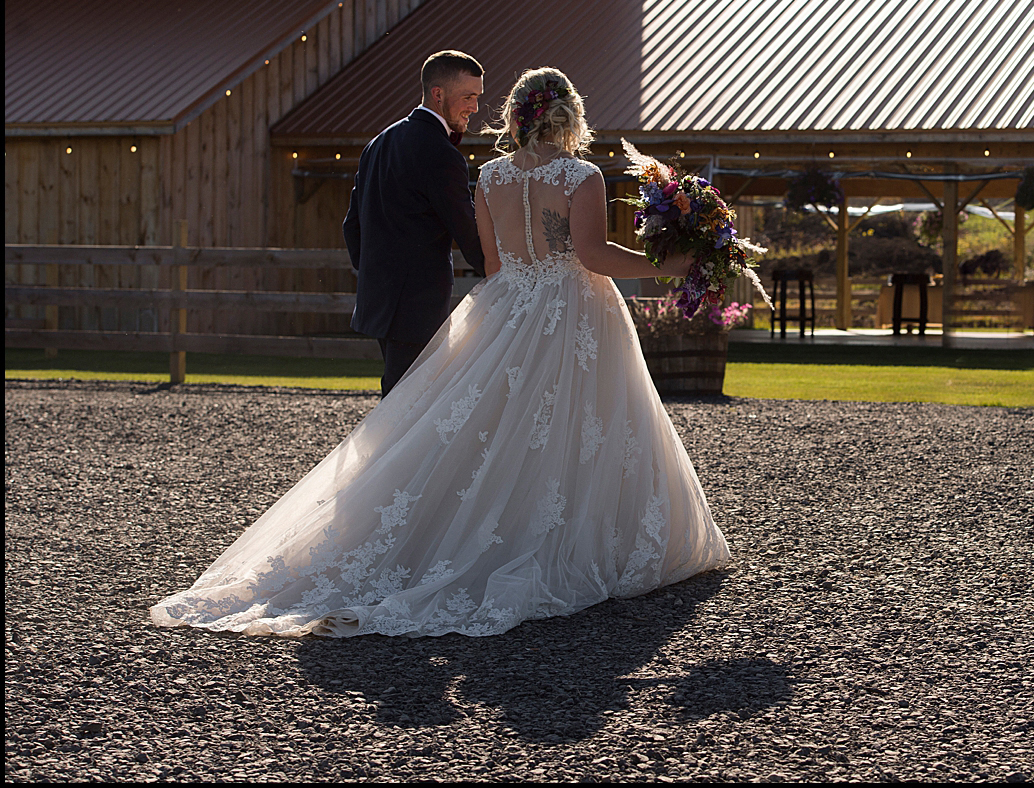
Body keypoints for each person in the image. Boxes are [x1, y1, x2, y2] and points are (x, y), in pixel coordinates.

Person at [150, 67, 730, 637]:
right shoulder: (581, 175)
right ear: (569, 115)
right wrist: (667, 265)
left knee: (493, 426)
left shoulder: (491, 176)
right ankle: (568, 538)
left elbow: (496, 265)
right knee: (585, 421)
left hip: (506, 305)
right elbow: (592, 255)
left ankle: (473, 531)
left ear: (516, 114)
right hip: (573, 307)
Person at [344, 50, 490, 397]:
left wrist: (375, 274)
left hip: (381, 299)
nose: (474, 107)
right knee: (408, 403)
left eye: (477, 97)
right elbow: (466, 230)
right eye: (467, 97)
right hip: (417, 304)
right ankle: (384, 455)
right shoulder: (440, 153)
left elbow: (353, 226)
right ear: (438, 94)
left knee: (399, 396)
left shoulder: (379, 142)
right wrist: (504, 274)